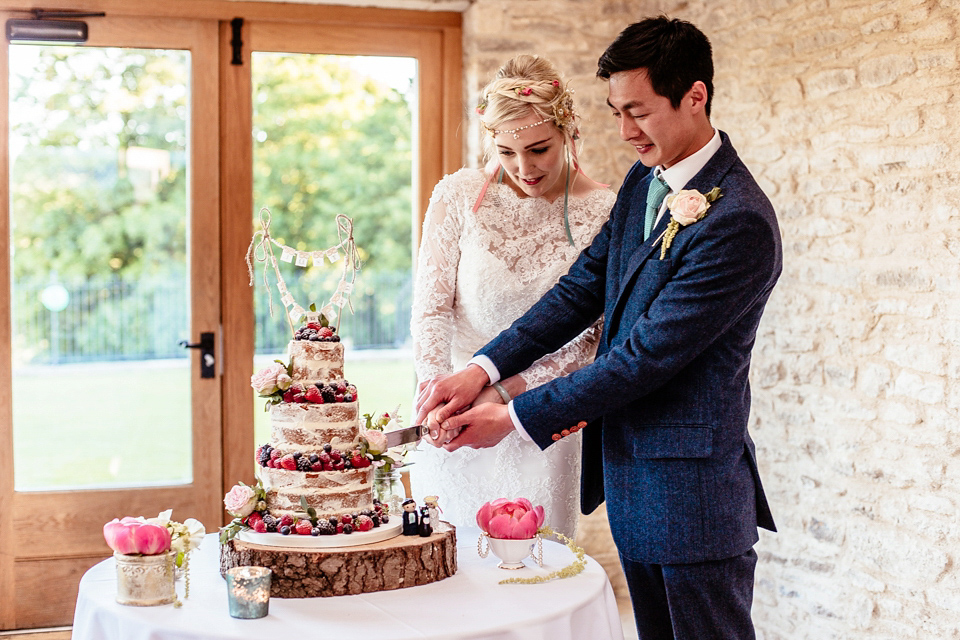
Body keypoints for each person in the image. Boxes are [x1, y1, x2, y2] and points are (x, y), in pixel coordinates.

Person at [415, 17, 782, 640]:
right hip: (634, 484)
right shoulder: (647, 179)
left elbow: (641, 358)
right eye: (615, 112)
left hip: (693, 498)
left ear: (695, 96)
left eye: (637, 111)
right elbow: (577, 292)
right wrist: (481, 368)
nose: (625, 131)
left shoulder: (739, 222)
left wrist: (511, 416)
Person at [409, 54, 615, 538]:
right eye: (506, 152)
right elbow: (432, 309)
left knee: (534, 565)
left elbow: (590, 338)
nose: (524, 167)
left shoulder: (605, 211)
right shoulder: (456, 195)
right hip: (451, 415)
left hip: (538, 419)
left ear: (568, 131)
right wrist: (436, 393)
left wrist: (500, 394)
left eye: (539, 149)